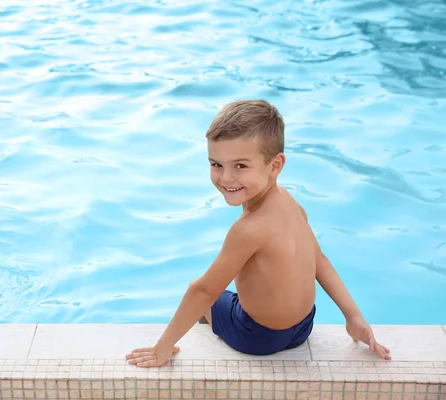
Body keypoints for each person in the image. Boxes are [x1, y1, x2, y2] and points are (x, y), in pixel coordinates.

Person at [125, 100, 391, 368]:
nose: (226, 177)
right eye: (216, 164)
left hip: (258, 337)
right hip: (303, 327)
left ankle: (194, 340)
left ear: (275, 165)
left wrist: (163, 346)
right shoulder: (289, 202)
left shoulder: (248, 229)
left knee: (202, 293)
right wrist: (353, 316)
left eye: (240, 166)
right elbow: (319, 260)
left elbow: (203, 290)